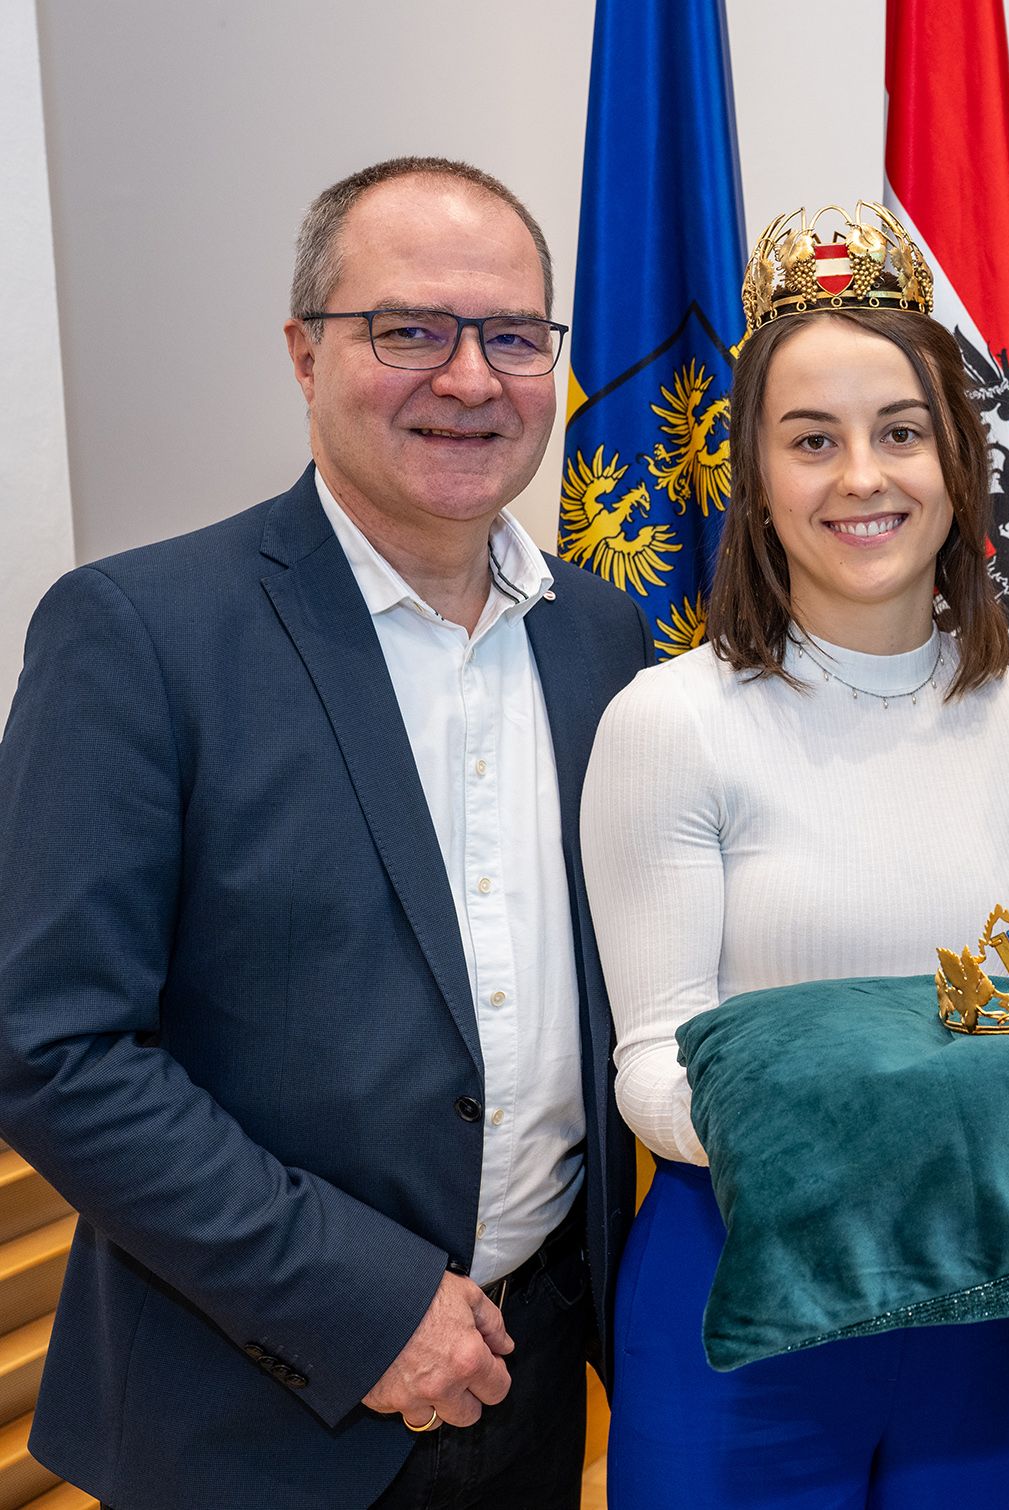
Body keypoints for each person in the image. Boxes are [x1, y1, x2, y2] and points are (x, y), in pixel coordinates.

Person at [0, 158, 650, 1509]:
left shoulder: (598, 635)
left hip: (530, 1386)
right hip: (248, 1412)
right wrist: (365, 1305)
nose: (470, 378)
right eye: (408, 328)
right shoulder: (138, 634)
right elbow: (53, 1047)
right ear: (303, 353)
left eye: (513, 336)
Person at [579, 202, 1009, 1508]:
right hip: (738, 1296)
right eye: (811, 440)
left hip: (980, 1302)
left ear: (956, 462)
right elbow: (653, 1055)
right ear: (756, 476)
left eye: (900, 432)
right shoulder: (669, 722)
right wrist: (845, 1141)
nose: (860, 477)